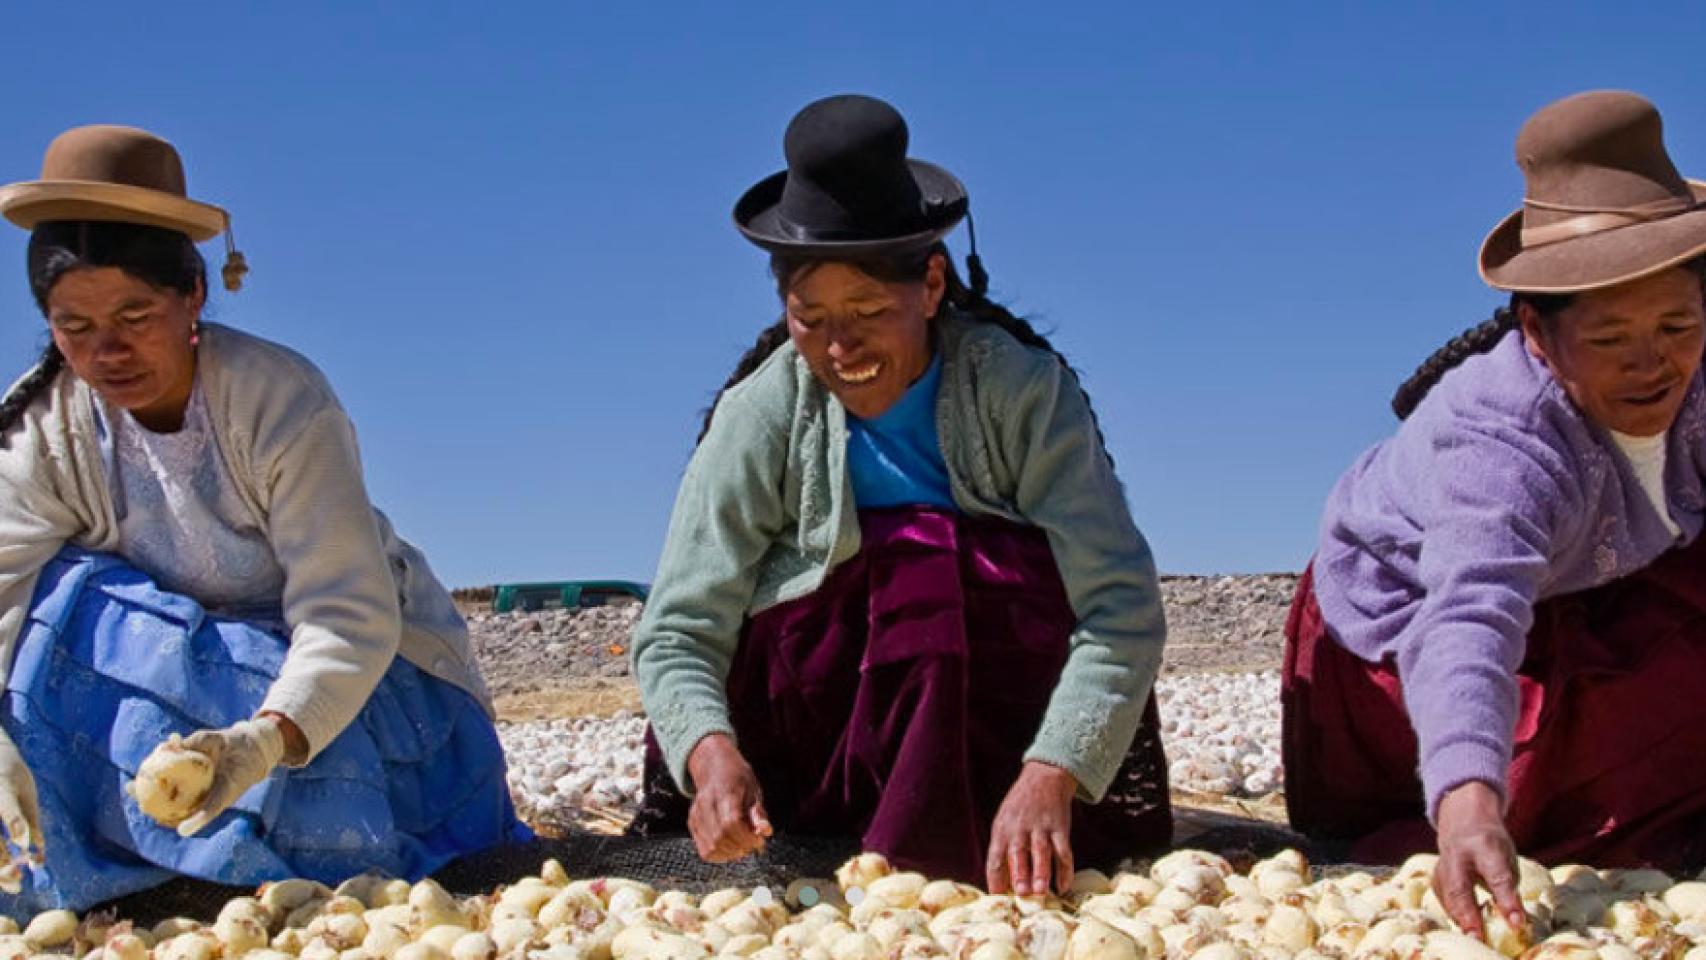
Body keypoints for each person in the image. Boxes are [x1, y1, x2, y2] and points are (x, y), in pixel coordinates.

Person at [628, 94, 1171, 895]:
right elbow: (679, 627)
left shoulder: (1020, 393)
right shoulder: (763, 413)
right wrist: (712, 757)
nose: (840, 347)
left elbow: (1119, 604)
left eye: (870, 312)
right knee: (907, 562)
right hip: (820, 756)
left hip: (1003, 744)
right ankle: (870, 845)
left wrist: (1054, 770)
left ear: (931, 284)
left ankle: (981, 835)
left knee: (929, 557)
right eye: (809, 319)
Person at [0, 125, 527, 912]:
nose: (108, 351)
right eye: (75, 328)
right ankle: (112, 864)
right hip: (170, 670)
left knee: (268, 720)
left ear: (194, 299)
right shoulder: (48, 430)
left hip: (337, 681)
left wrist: (261, 740)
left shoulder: (277, 400)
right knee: (59, 594)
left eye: (136, 315)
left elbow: (347, 614)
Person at [1282, 90, 1706, 936]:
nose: (1653, 362)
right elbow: (1470, 616)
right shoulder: (1497, 436)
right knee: (1559, 797)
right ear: (1537, 332)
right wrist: (1468, 799)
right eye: (1613, 337)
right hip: (1403, 631)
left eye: (1678, 323)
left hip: (1598, 584)